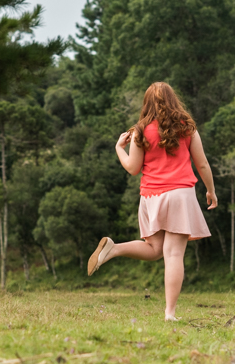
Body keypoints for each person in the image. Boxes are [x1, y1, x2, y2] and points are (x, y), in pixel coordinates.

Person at [87, 82, 217, 321]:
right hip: (179, 195)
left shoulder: (139, 131)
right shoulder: (187, 127)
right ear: (173, 99)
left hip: (151, 197)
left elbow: (133, 168)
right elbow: (203, 164)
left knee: (155, 249)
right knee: (173, 254)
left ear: (146, 103)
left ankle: (114, 249)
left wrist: (119, 148)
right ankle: (170, 313)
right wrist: (211, 190)